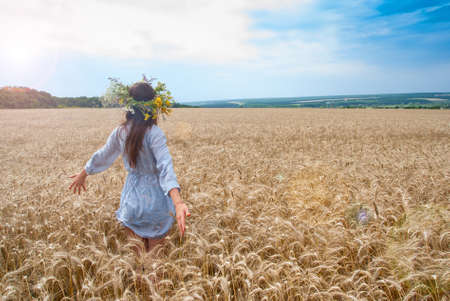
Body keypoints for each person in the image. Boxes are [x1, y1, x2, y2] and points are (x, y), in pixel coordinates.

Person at [68, 80, 190, 255]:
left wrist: (84, 173)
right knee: (155, 263)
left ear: (129, 106)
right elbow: (165, 167)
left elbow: (103, 154)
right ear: (153, 106)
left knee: (137, 261)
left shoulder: (121, 131)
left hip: (132, 201)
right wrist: (178, 202)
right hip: (157, 203)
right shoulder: (154, 133)